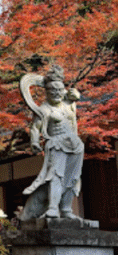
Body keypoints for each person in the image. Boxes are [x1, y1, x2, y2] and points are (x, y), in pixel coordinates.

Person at [20, 67, 84, 220]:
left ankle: (66, 209)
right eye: (52, 90)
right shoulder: (44, 109)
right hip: (56, 143)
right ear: (46, 92)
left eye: (59, 90)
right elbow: (35, 127)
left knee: (73, 178)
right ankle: (53, 208)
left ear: (63, 91)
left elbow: (75, 96)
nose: (56, 93)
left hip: (75, 145)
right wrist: (34, 142)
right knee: (55, 176)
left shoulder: (68, 105)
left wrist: (76, 95)